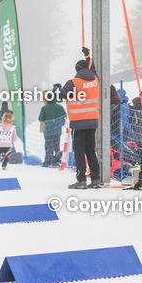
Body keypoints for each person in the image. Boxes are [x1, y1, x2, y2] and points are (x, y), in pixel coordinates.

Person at [59, 49, 101, 188]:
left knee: (79, 152)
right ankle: (95, 179)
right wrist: (88, 56)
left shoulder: (73, 82)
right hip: (92, 122)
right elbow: (92, 68)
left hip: (78, 123)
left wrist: (56, 90)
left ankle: (81, 180)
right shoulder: (95, 80)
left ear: (77, 70)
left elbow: (60, 96)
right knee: (91, 150)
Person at [38, 90, 66, 167]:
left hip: (48, 131)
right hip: (57, 131)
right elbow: (64, 118)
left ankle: (48, 161)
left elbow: (41, 119)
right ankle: (57, 161)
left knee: (48, 146)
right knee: (57, 146)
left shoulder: (44, 108)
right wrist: (60, 124)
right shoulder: (60, 107)